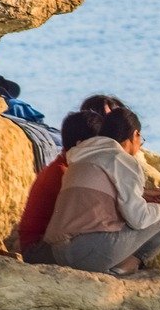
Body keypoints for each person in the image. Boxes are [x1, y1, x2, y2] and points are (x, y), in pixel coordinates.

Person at [44, 106, 160, 276]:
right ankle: (125, 268)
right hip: (87, 254)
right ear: (135, 135)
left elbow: (103, 197)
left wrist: (145, 195)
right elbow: (138, 219)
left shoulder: (81, 158)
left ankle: (116, 265)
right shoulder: (122, 159)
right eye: (141, 140)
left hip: (58, 252)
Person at [16, 109, 103, 264]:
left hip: (42, 245)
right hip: (38, 250)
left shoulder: (65, 167)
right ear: (81, 145)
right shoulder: (63, 174)